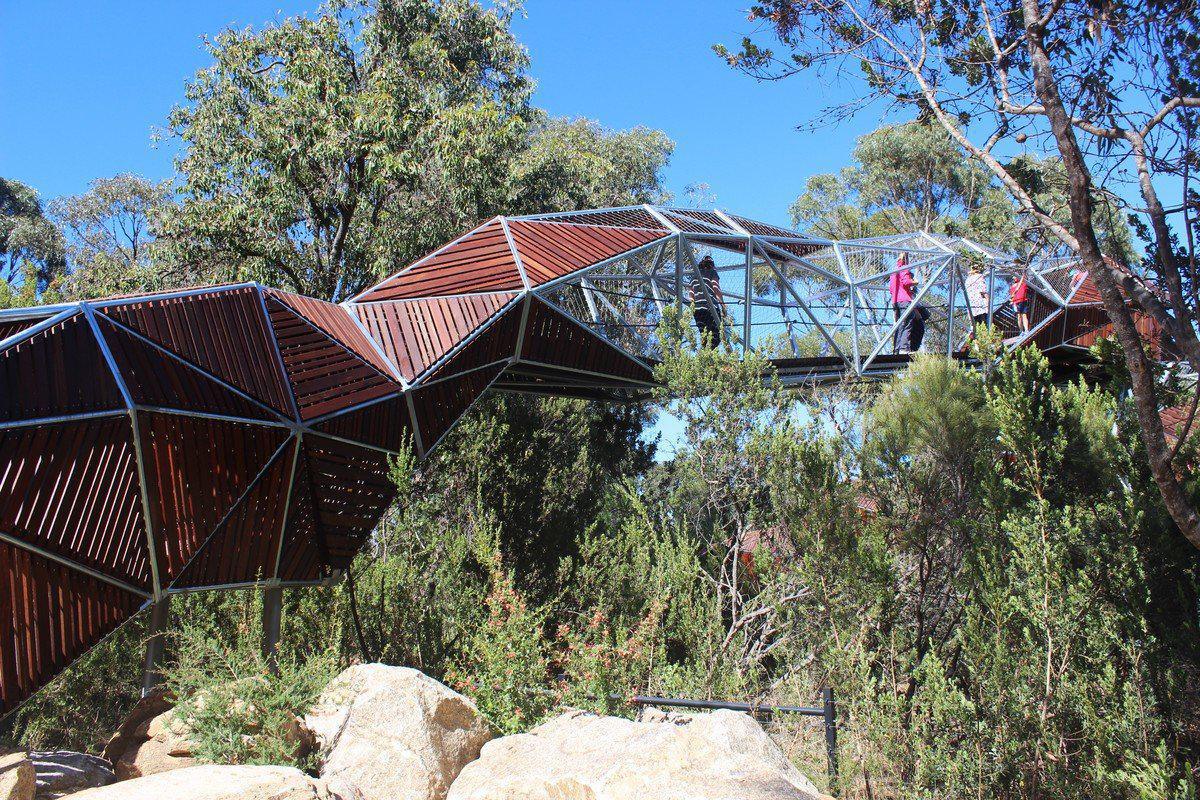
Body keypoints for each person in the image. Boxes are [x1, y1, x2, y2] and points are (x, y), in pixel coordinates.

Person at [889, 253, 929, 353]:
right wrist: (915, 282)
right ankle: (903, 348)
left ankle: (897, 349)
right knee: (907, 324)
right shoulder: (904, 268)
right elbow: (906, 281)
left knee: (901, 325)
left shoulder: (894, 272)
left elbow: (891, 289)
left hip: (895, 301)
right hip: (904, 300)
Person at [690, 254, 725, 345]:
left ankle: (704, 355)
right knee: (716, 337)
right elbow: (716, 287)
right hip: (711, 308)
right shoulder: (712, 272)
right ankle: (708, 355)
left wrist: (692, 307)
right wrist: (723, 305)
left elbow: (691, 293)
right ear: (712, 265)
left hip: (698, 311)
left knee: (704, 336)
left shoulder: (694, 276)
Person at [1010, 267, 1031, 333]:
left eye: (1014, 276)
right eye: (1013, 277)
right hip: (1015, 302)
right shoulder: (1012, 286)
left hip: (1023, 300)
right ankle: (1021, 331)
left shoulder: (1023, 283)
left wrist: (1023, 270)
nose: (1013, 278)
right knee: (1019, 316)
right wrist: (1012, 301)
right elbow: (1012, 295)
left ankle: (1026, 330)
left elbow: (1023, 277)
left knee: (1024, 315)